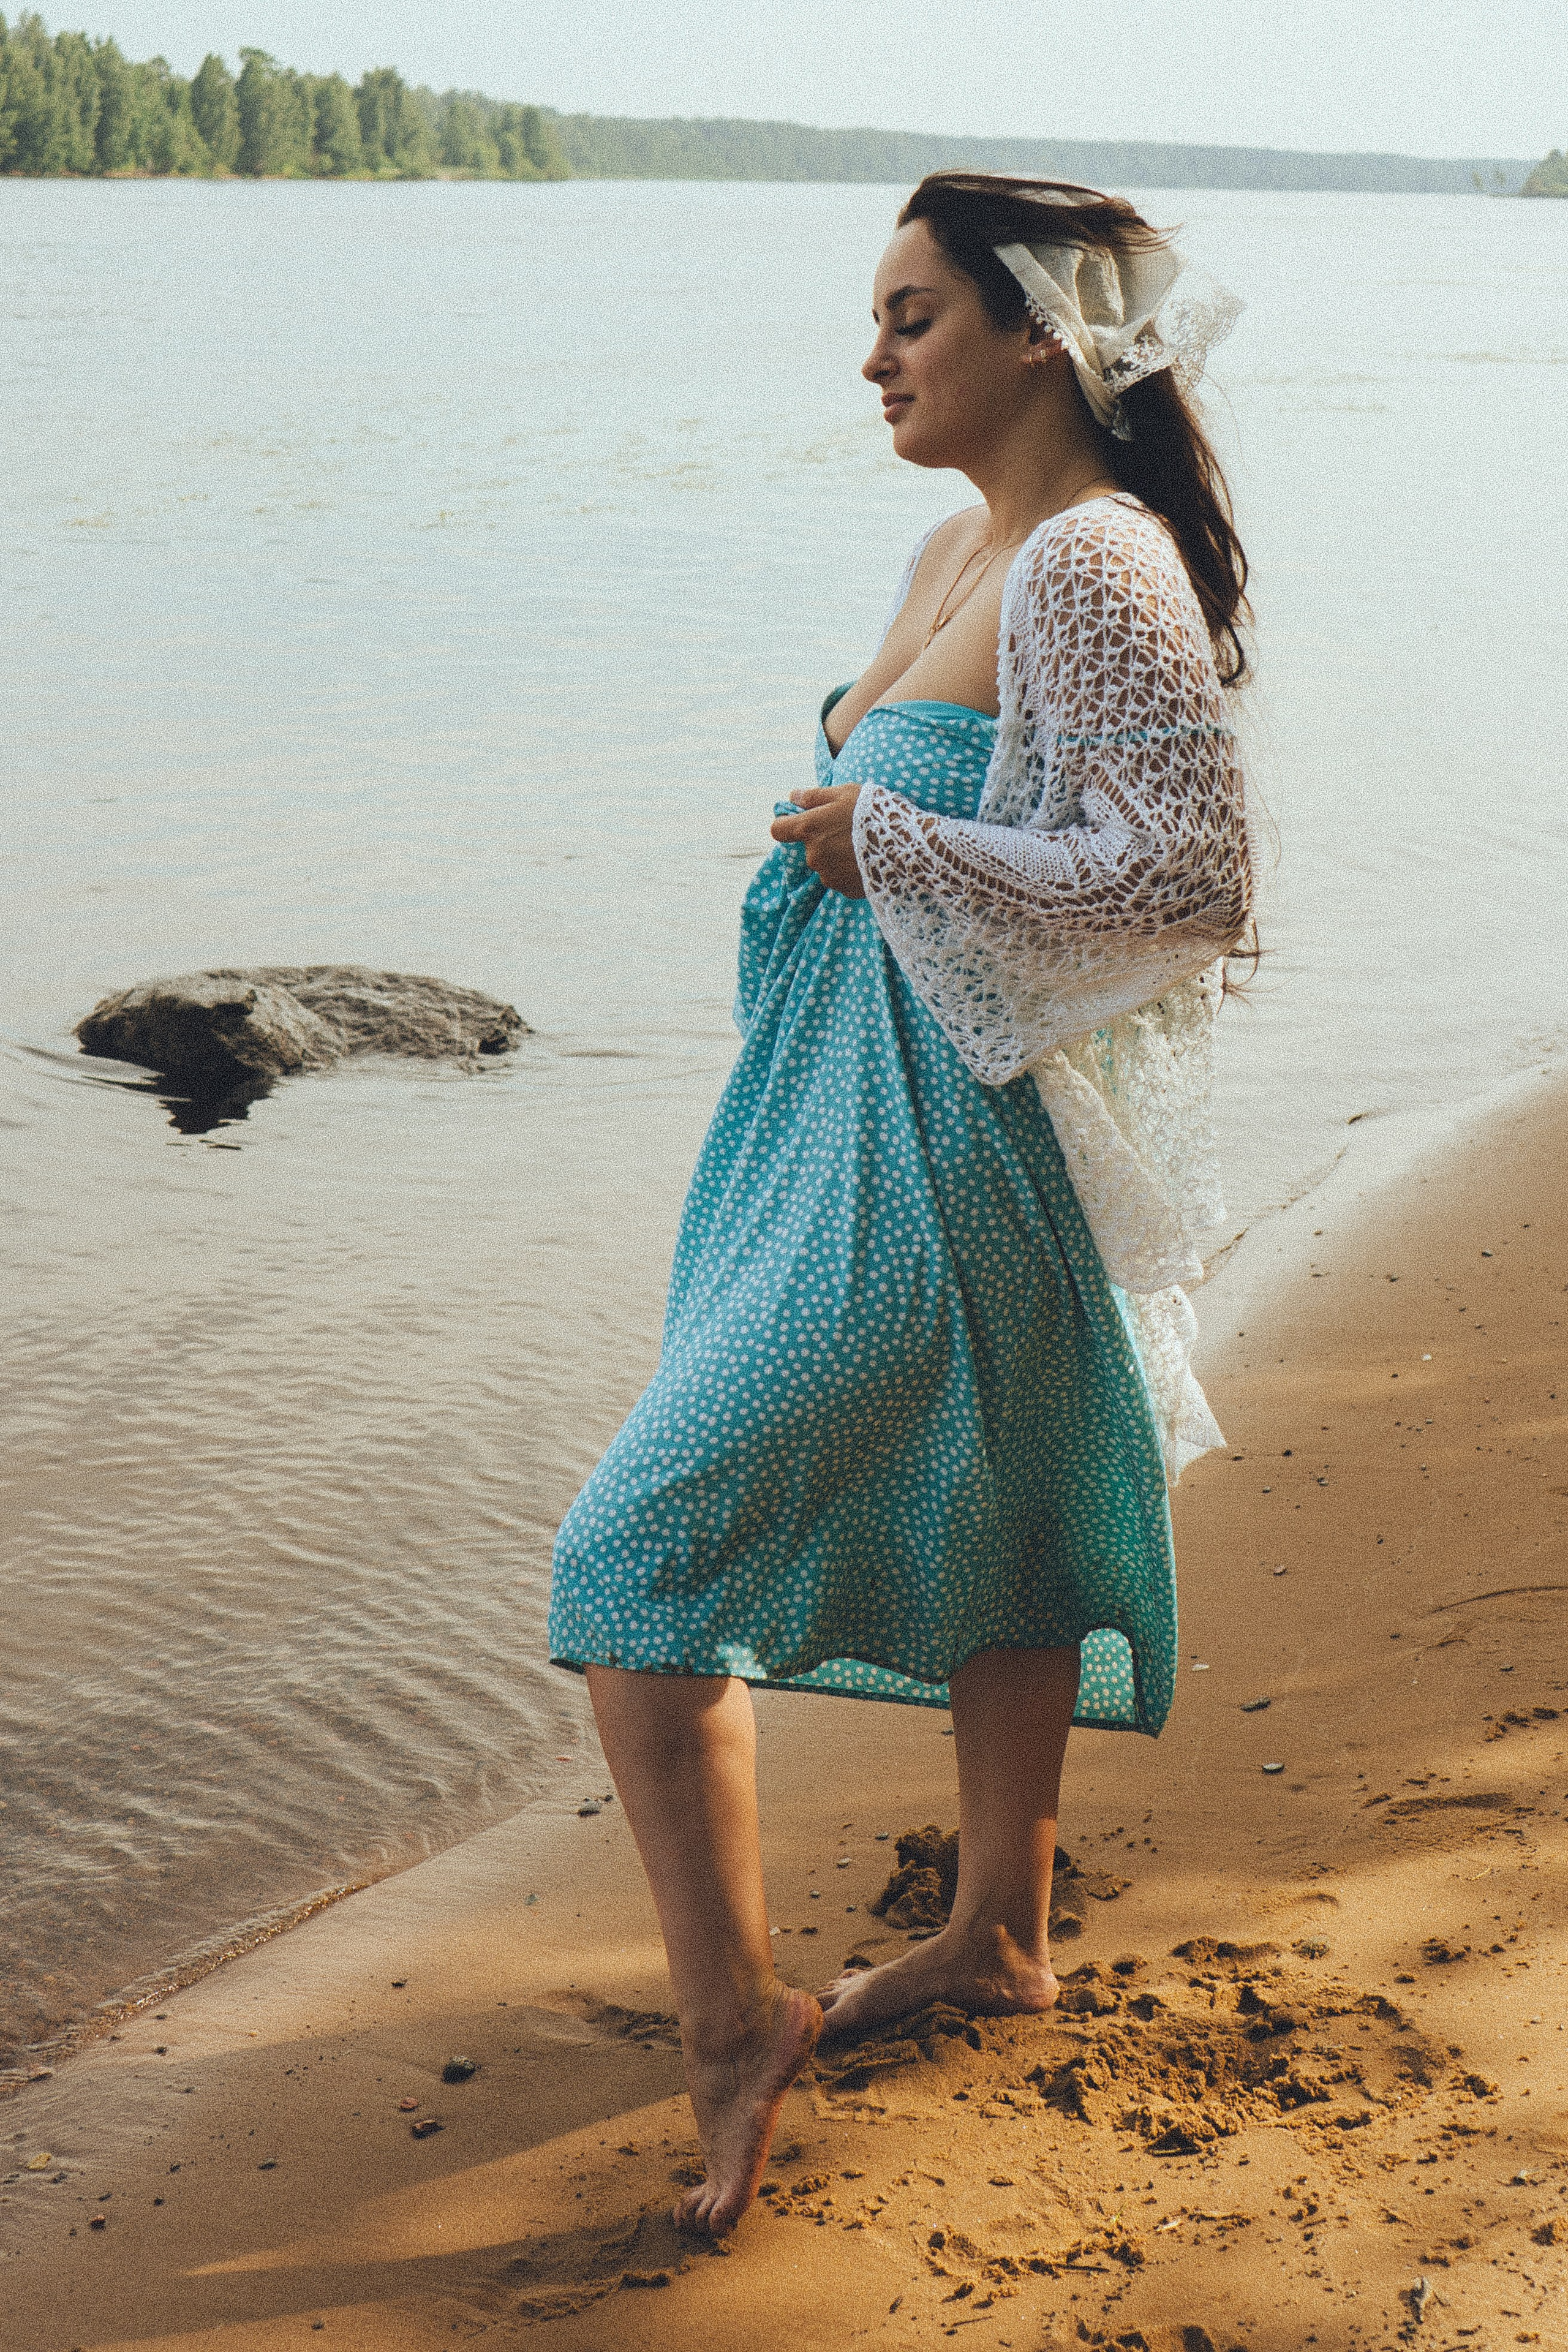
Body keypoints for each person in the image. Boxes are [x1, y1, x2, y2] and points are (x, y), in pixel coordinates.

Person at [549, 171, 1254, 2237]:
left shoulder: (1095, 565)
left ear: (1039, 331)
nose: (876, 355)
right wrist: (856, 835)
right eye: (876, 316)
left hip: (951, 1154)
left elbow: (1198, 885)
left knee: (637, 1555)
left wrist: (900, 847)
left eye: (913, 314)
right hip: (830, 1121)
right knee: (1003, 1515)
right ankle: (999, 1936)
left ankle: (728, 2026)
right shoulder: (960, 542)